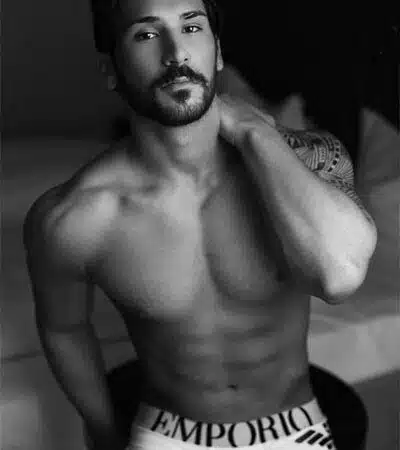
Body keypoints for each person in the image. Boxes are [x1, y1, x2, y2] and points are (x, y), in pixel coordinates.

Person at [23, 0, 377, 449]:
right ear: (111, 69)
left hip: (295, 428)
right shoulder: (73, 217)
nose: (177, 53)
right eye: (147, 35)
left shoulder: (311, 160)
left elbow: (340, 276)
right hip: (168, 434)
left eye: (192, 27)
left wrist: (256, 133)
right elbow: (64, 329)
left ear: (219, 51)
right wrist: (104, 431)